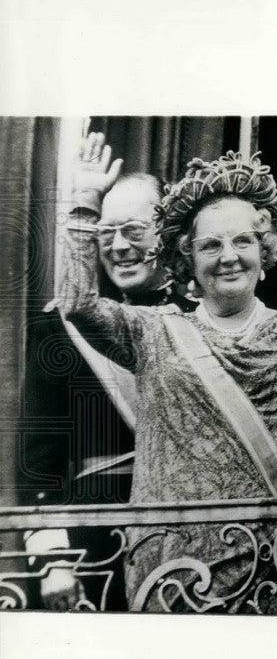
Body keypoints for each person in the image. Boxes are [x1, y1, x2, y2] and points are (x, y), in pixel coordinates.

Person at [59, 133, 277, 612]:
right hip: (174, 575)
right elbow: (76, 303)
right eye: (210, 245)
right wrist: (85, 202)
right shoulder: (152, 332)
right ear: (188, 260)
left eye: (243, 240)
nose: (229, 255)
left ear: (266, 250)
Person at [19, 166, 196, 611]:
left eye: (134, 230)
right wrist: (54, 560)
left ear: (169, 232)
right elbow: (40, 462)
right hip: (93, 549)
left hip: (193, 541)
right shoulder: (59, 327)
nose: (119, 247)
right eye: (106, 232)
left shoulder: (203, 320)